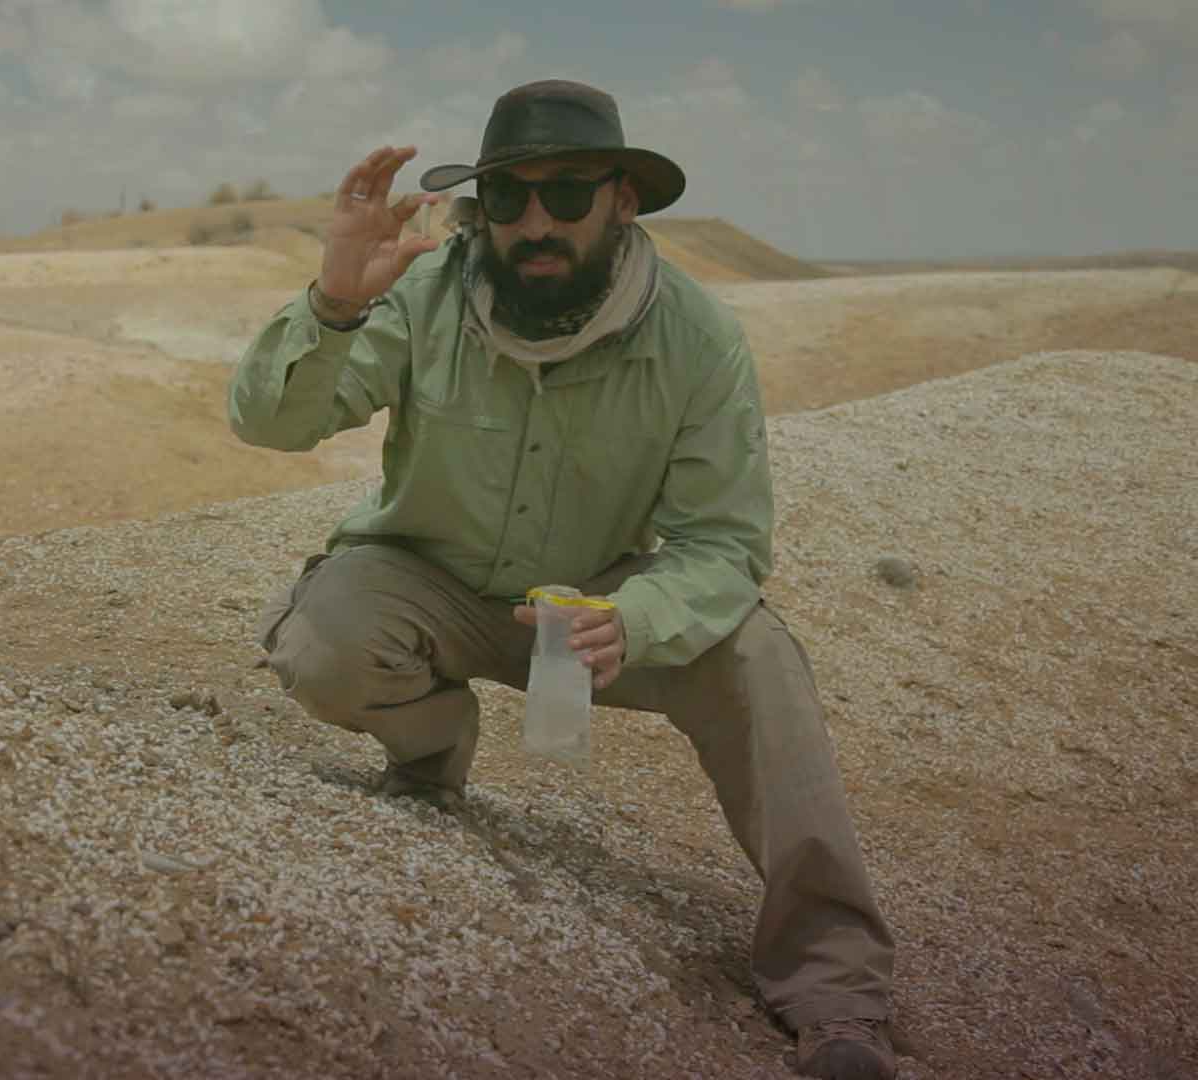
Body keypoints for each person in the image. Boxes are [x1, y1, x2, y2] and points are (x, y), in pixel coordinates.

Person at [228, 80, 898, 1080]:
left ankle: (835, 989)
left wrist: (638, 619)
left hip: (595, 611)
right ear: (482, 207)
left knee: (757, 657)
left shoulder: (697, 337)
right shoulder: (421, 292)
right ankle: (432, 748)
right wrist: (331, 306)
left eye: (568, 193)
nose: (535, 223)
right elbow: (272, 425)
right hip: (435, 587)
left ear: (622, 200)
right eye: (509, 199)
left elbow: (724, 544)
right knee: (323, 638)